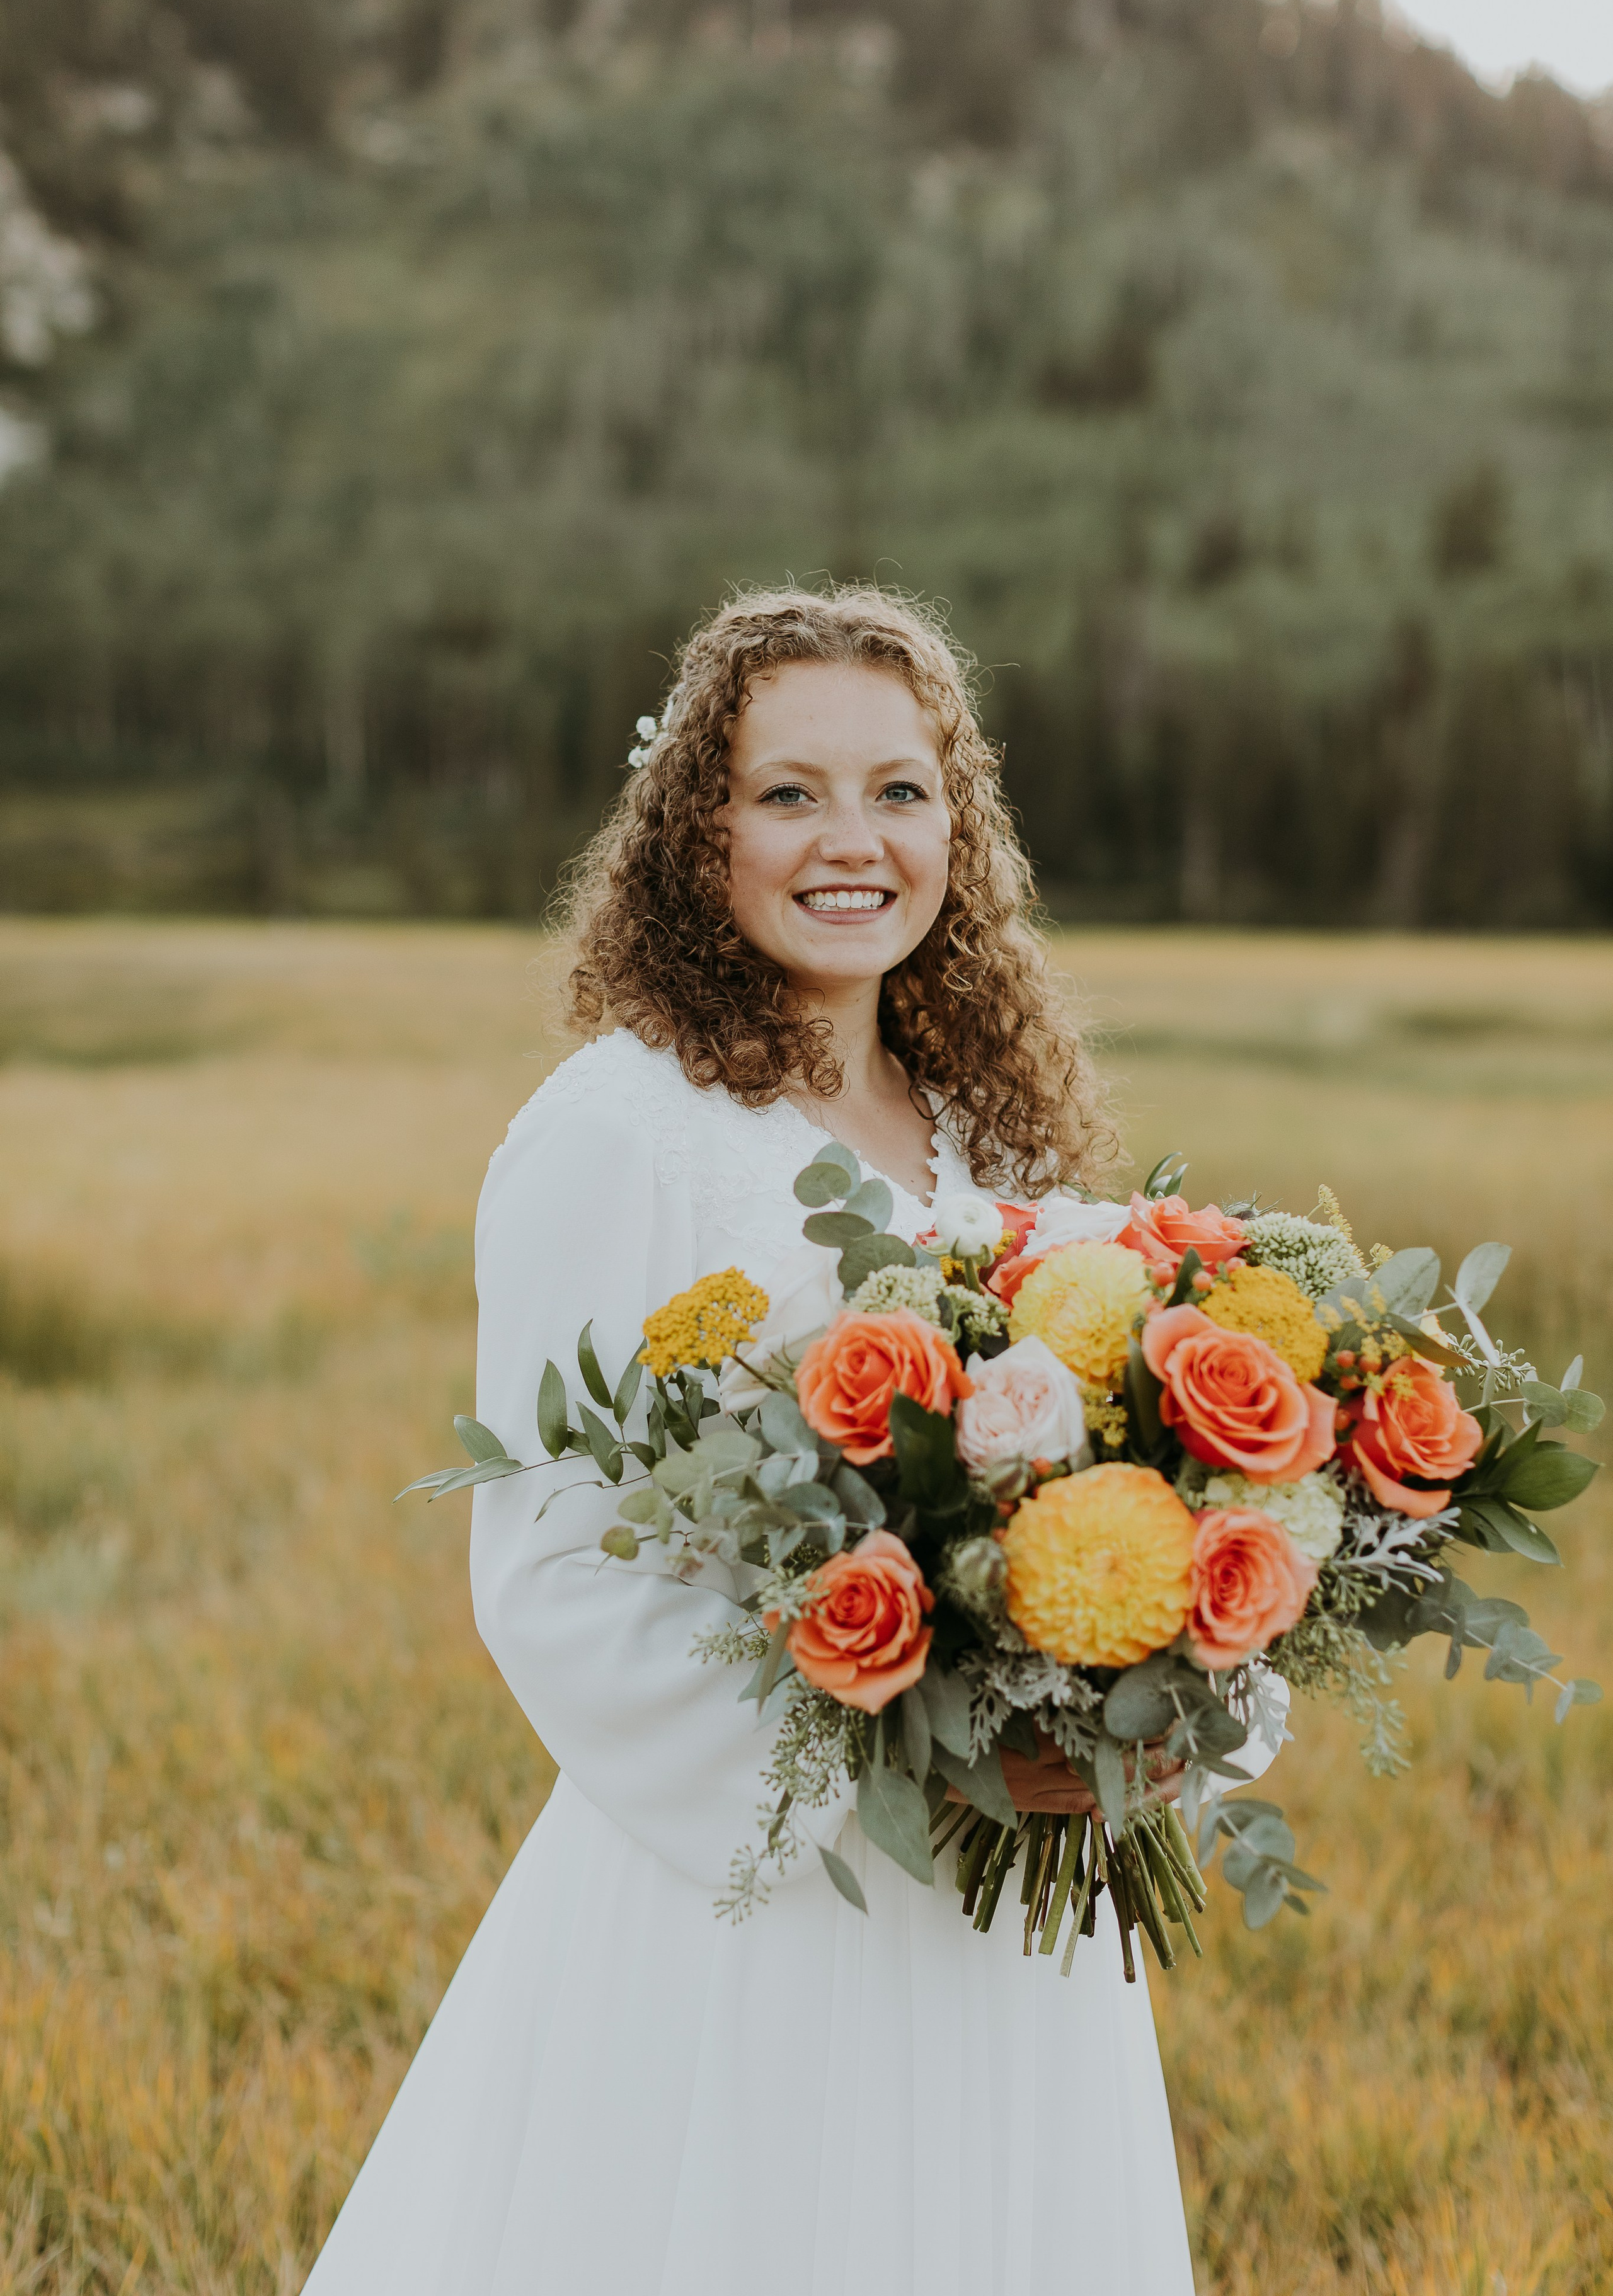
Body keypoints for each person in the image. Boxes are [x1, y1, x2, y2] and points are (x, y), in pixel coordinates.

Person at [303, 584, 1282, 2296]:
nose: (855, 841)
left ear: (955, 828)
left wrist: (1171, 1688)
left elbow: (1107, 1471)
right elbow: (558, 1575)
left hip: (1010, 1925)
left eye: (902, 792)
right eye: (790, 793)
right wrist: (915, 1769)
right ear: (700, 829)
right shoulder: (623, 1130)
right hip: (758, 1908)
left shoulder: (988, 1129)